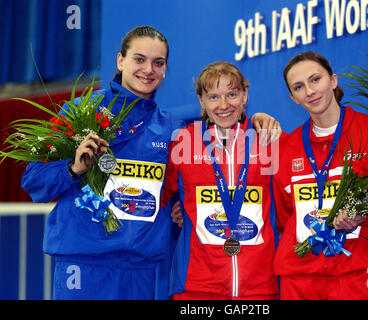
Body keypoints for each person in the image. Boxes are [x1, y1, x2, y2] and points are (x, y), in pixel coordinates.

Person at [21, 26, 280, 300]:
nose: (148, 69)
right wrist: (73, 169)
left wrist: (254, 119)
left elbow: (193, 176)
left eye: (158, 62)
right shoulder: (81, 111)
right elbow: (34, 179)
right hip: (84, 264)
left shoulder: (172, 129)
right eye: (139, 59)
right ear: (120, 60)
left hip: (143, 270)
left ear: (166, 69)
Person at [272, 51, 368, 300]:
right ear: (293, 97)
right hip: (300, 278)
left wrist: (365, 217)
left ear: (333, 80)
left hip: (358, 273)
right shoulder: (286, 150)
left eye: (315, 79)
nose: (309, 91)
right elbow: (286, 219)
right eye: (299, 87)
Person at [161, 61, 281, 300]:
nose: (224, 105)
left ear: (245, 96)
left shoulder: (269, 139)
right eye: (213, 97)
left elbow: (289, 204)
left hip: (259, 286)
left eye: (232, 94)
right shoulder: (183, 142)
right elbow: (161, 194)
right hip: (197, 286)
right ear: (202, 102)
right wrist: (178, 208)